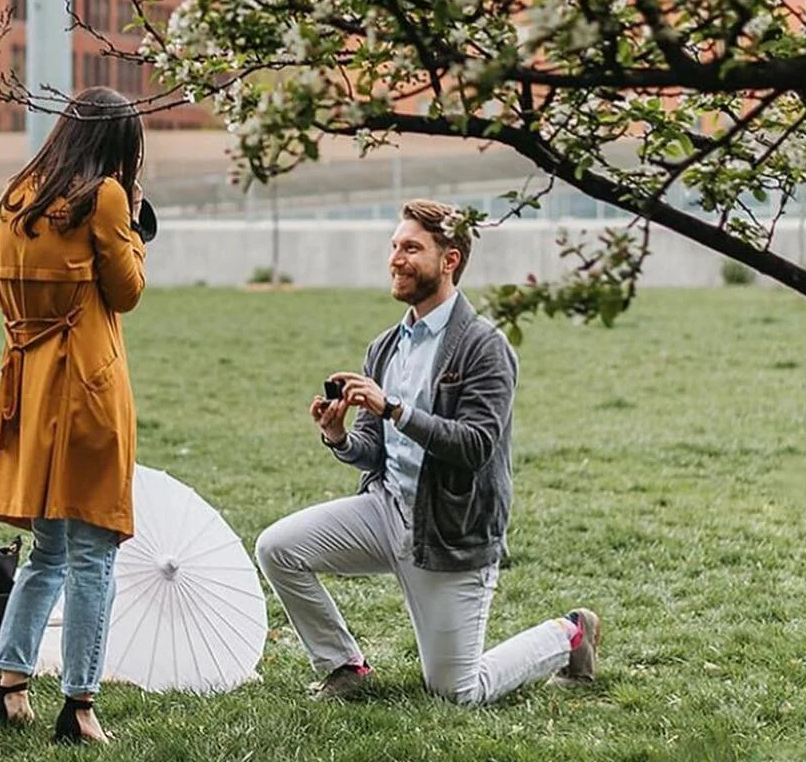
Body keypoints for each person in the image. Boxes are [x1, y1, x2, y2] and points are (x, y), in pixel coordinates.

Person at [255, 198, 601, 705]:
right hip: (386, 511)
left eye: (411, 248)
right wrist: (340, 438)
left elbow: (475, 446)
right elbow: (374, 449)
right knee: (277, 547)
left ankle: (570, 633)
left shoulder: (484, 346)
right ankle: (344, 665)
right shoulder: (386, 347)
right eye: (394, 246)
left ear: (449, 259)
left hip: (449, 529)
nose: (395, 258)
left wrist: (394, 408)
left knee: (457, 691)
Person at [0, 87, 150, 746]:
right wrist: (135, 225)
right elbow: (127, 292)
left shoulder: (17, 195)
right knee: (93, 552)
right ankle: (79, 706)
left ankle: (10, 688)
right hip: (86, 384)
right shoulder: (103, 197)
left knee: (46, 550)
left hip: (30, 380)